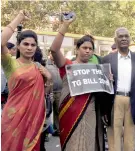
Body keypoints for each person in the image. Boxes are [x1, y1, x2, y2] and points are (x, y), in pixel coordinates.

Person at [49, 13, 105, 151]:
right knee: (72, 144)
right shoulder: (68, 65)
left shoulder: (97, 70)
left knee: (89, 143)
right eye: (84, 48)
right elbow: (54, 50)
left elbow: (102, 92)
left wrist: (107, 80)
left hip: (90, 111)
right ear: (77, 49)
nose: (87, 51)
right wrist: (65, 25)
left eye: (90, 49)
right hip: (70, 111)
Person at [1, 10, 52, 151]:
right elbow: (1, 42)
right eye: (25, 44)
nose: (29, 47)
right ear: (18, 45)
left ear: (36, 47)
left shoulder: (38, 67)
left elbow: (43, 94)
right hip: (13, 118)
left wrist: (49, 79)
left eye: (33, 45)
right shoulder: (10, 63)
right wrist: (19, 17)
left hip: (33, 120)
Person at [102, 27, 135, 151]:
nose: (124, 38)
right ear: (115, 40)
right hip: (115, 99)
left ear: (130, 39)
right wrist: (104, 109)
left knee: (130, 138)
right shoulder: (107, 59)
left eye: (126, 36)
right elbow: (103, 86)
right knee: (114, 135)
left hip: (132, 100)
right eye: (120, 36)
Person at [46, 51, 63, 136]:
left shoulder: (59, 64)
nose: (54, 55)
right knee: (48, 111)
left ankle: (57, 129)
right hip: (50, 92)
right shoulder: (45, 64)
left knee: (58, 111)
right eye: (52, 54)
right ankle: (46, 131)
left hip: (60, 91)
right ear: (49, 54)